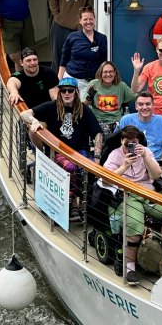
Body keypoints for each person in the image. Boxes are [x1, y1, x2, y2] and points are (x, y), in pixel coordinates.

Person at [22, 76, 103, 219]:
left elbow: (97, 133)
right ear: (59, 92)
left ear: (76, 92)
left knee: (88, 169)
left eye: (70, 91)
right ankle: (72, 202)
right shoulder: (51, 106)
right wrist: (34, 122)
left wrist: (96, 158)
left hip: (79, 151)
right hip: (57, 151)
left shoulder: (84, 110)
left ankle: (86, 203)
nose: (66, 93)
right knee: (70, 168)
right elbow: (24, 113)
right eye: (63, 91)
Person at [102, 126, 162, 284]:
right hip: (127, 194)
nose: (131, 146)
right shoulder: (115, 154)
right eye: (127, 143)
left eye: (134, 143)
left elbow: (156, 175)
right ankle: (130, 267)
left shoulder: (146, 152)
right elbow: (105, 180)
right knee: (135, 223)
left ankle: (157, 250)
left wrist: (146, 157)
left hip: (148, 194)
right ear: (122, 141)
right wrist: (124, 166)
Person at [58, 6, 107, 97]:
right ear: (80, 21)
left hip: (90, 83)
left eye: (91, 19)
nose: (88, 22)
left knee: (85, 108)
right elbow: (63, 60)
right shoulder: (72, 37)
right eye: (85, 19)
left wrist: (102, 83)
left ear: (94, 20)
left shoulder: (101, 38)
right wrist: (59, 82)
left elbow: (103, 63)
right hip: (71, 79)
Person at [118, 91, 162, 167]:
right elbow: (117, 143)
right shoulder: (126, 120)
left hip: (155, 162)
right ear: (136, 107)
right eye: (141, 104)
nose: (144, 107)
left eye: (148, 104)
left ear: (153, 105)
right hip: (131, 161)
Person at [84, 61, 136, 136]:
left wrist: (136, 71)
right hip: (99, 122)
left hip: (117, 122)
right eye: (105, 72)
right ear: (101, 73)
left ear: (115, 73)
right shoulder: (94, 84)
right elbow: (83, 106)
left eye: (111, 71)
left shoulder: (121, 85)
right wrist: (90, 96)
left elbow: (134, 96)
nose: (108, 74)